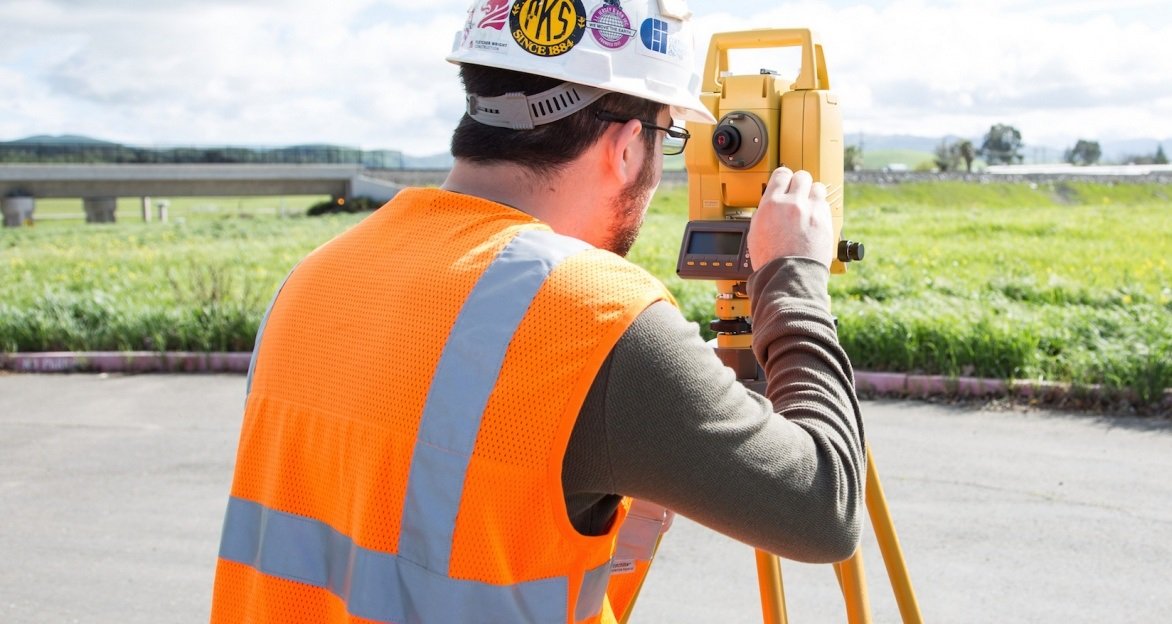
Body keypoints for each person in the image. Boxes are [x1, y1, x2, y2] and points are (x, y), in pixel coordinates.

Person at [210, 1, 865, 622]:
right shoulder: (597, 318)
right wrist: (793, 274)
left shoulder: (315, 277)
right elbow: (824, 511)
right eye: (668, 137)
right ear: (627, 145)